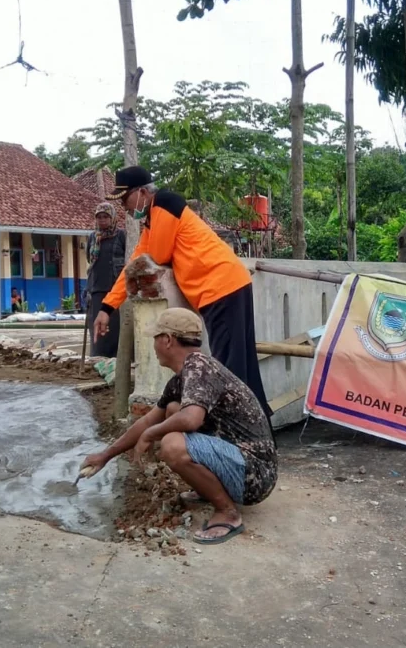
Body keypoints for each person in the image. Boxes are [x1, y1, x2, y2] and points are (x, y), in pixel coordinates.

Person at [81, 308, 277, 545]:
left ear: (167, 340)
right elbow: (147, 420)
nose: (153, 346)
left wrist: (152, 434)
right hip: (239, 462)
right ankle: (209, 490)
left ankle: (228, 513)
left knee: (172, 445)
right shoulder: (183, 377)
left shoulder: (199, 366)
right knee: (173, 409)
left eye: (155, 338)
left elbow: (190, 420)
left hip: (255, 474)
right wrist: (105, 455)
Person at [93, 166, 272, 417]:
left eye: (125, 199)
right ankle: (256, 426)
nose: (125, 207)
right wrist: (106, 307)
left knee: (229, 368)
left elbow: (158, 255)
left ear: (143, 192)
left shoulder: (165, 204)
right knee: (240, 364)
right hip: (226, 286)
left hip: (221, 288)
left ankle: (238, 430)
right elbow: (133, 268)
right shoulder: (153, 222)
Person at [85, 201, 128, 357]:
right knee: (98, 325)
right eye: (99, 217)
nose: (102, 220)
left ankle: (117, 358)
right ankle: (98, 357)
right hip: (96, 288)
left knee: (115, 326)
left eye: (105, 217)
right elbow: (90, 261)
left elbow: (128, 257)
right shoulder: (92, 237)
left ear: (113, 218)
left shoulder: (121, 235)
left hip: (116, 288)